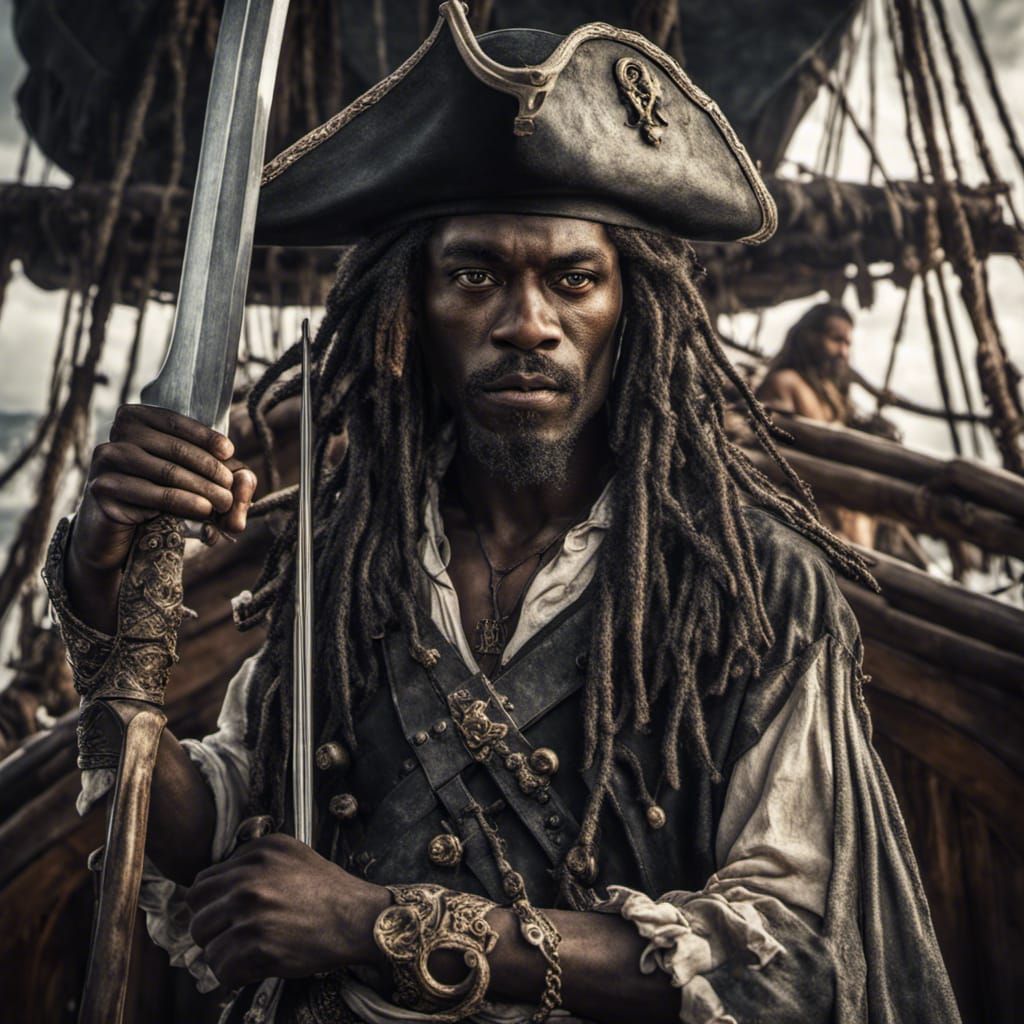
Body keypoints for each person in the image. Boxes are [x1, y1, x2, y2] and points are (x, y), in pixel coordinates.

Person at [43, 8, 960, 1024]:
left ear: (631, 311)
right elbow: (211, 831)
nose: (527, 323)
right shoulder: (347, 558)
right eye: (474, 275)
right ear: (410, 313)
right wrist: (99, 598)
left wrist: (378, 923)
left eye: (572, 279)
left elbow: (795, 962)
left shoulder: (753, 590)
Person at [756, 304, 877, 548]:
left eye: (847, 343)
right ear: (809, 337)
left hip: (847, 531)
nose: (843, 352)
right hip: (813, 530)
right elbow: (772, 461)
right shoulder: (785, 384)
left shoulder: (831, 394)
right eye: (836, 340)